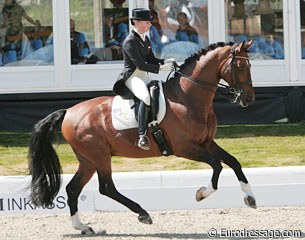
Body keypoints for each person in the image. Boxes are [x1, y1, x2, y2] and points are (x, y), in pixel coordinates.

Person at [113, 8, 176, 150]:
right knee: (145, 97)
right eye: (146, 22)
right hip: (133, 77)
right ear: (136, 23)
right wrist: (161, 69)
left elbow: (151, 59)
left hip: (144, 76)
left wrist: (165, 62)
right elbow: (140, 65)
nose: (150, 25)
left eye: (149, 22)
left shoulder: (145, 38)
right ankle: (142, 135)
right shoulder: (129, 42)